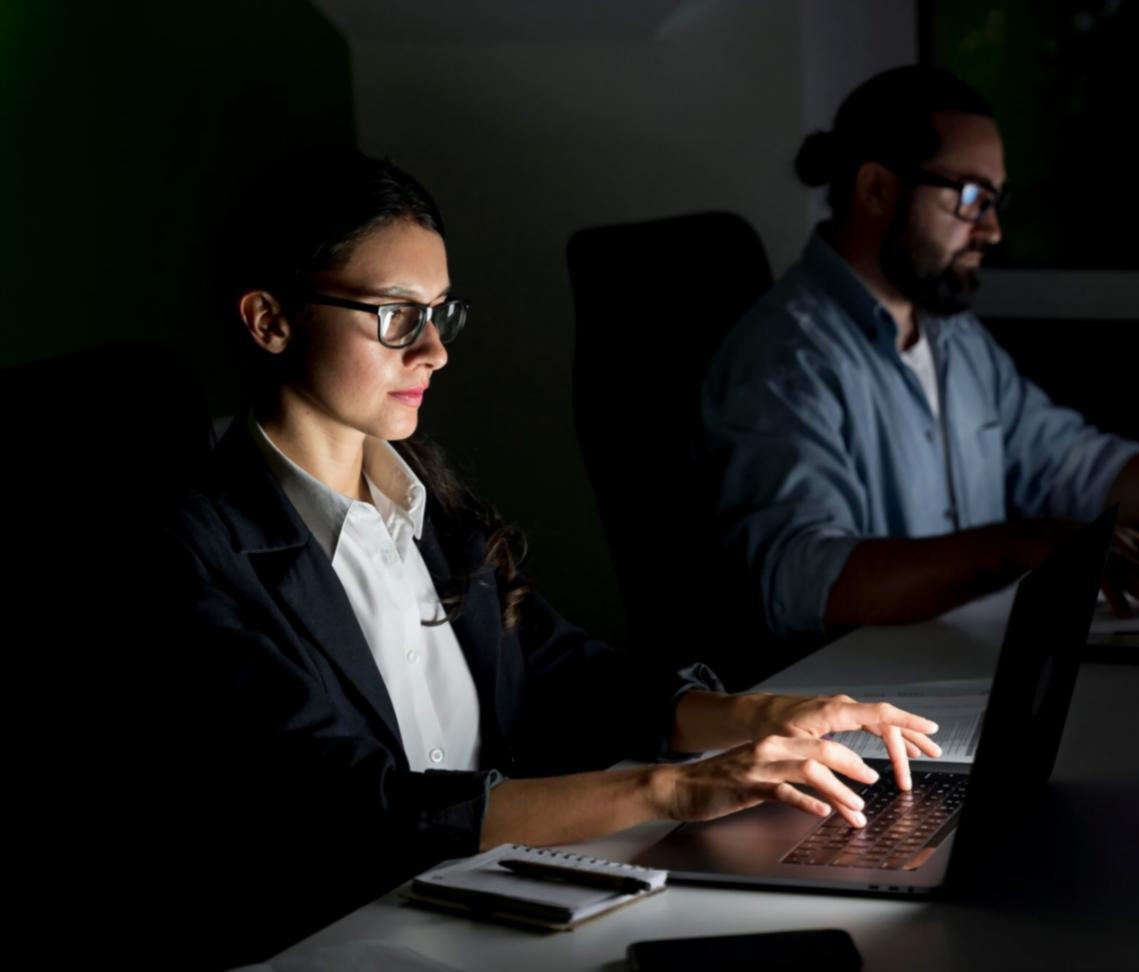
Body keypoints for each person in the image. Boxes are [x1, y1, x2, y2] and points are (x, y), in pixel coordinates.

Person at [146, 149, 941, 966]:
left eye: (441, 314)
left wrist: (753, 716)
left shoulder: (422, 495)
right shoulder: (187, 550)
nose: (434, 352)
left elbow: (556, 671)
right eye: (395, 316)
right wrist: (673, 788)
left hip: (478, 907)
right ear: (270, 320)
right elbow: (359, 810)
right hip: (340, 940)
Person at [702, 66, 1139, 647]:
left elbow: (1069, 462)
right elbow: (801, 582)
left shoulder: (951, 336)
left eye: (995, 202)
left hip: (962, 660)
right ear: (875, 189)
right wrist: (1016, 548)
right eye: (971, 199)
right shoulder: (786, 355)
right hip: (860, 703)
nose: (992, 231)